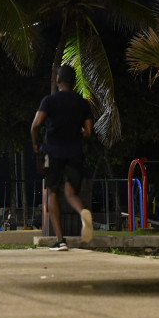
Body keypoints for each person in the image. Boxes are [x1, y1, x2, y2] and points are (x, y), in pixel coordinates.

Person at [30, 64, 94, 251]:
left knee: (52, 193)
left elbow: (36, 125)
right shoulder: (83, 103)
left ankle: (61, 240)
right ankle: (83, 213)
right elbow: (88, 131)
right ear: (74, 82)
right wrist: (77, 133)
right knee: (71, 193)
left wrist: (35, 144)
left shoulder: (49, 101)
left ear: (58, 81)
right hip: (75, 153)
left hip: (54, 152)